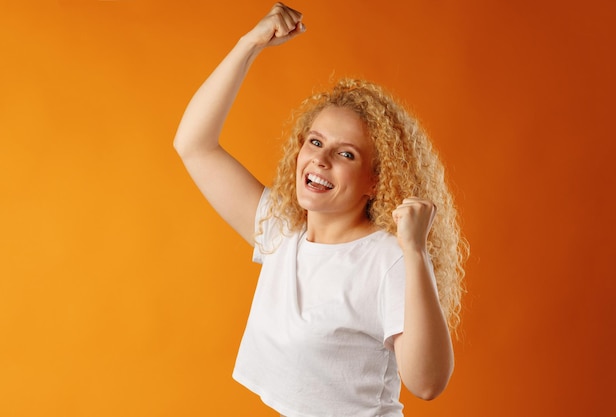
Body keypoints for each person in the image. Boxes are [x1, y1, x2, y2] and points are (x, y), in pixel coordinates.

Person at [173, 3, 468, 416]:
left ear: (375, 181)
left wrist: (416, 251)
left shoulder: (387, 258)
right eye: (314, 142)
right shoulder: (281, 231)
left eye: (345, 153)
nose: (321, 159)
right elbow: (193, 145)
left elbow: (427, 383)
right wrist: (250, 45)